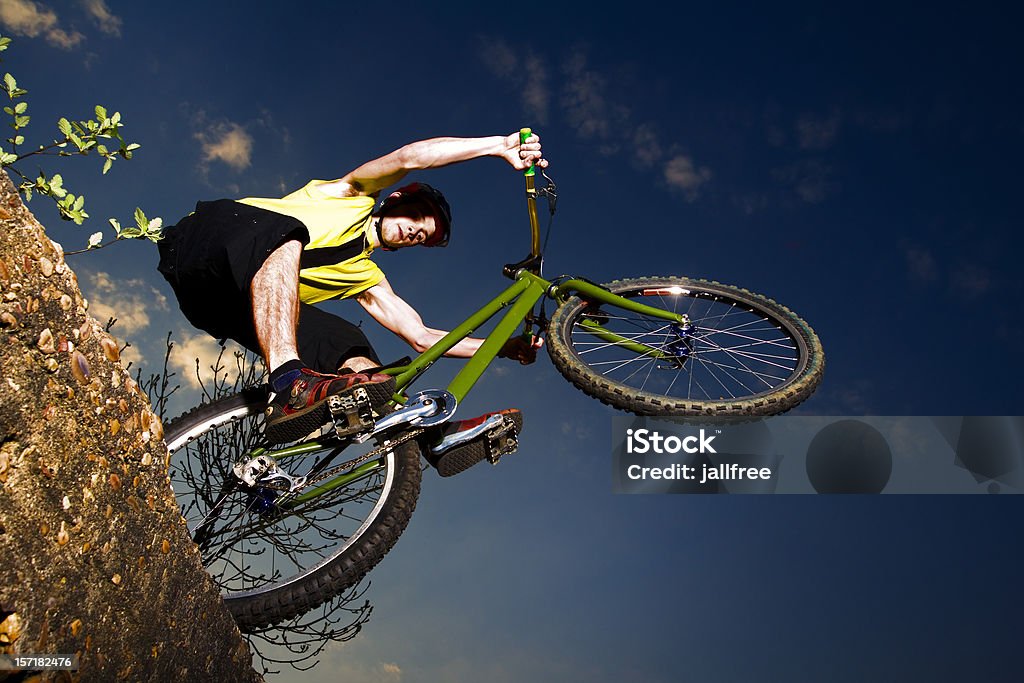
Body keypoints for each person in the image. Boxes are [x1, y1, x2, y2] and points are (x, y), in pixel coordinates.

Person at [157, 131, 546, 477]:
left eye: (422, 237)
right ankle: (290, 382)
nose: (415, 231)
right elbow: (411, 157)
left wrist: (504, 348)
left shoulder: (366, 276)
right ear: (394, 200)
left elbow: (422, 336)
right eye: (417, 216)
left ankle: (430, 436)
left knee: (355, 354)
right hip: (202, 247)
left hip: (230, 306)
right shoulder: (352, 196)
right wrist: (498, 147)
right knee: (286, 235)